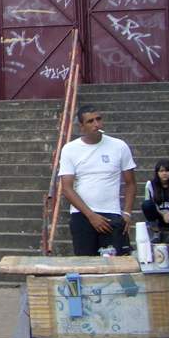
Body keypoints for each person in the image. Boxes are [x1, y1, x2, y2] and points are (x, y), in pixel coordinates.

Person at [58, 105, 137, 257]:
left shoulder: (119, 146)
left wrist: (127, 213)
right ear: (81, 126)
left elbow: (131, 183)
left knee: (115, 264)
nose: (96, 124)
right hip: (82, 216)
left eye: (98, 119)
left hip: (112, 215)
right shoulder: (70, 149)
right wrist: (91, 215)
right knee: (86, 265)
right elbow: (66, 189)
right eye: (90, 121)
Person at [143, 159, 169, 244]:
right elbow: (148, 202)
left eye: (167, 171)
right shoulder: (150, 185)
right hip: (158, 216)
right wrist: (163, 214)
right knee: (146, 205)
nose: (164, 173)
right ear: (157, 173)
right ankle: (156, 232)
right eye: (161, 171)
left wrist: (168, 213)